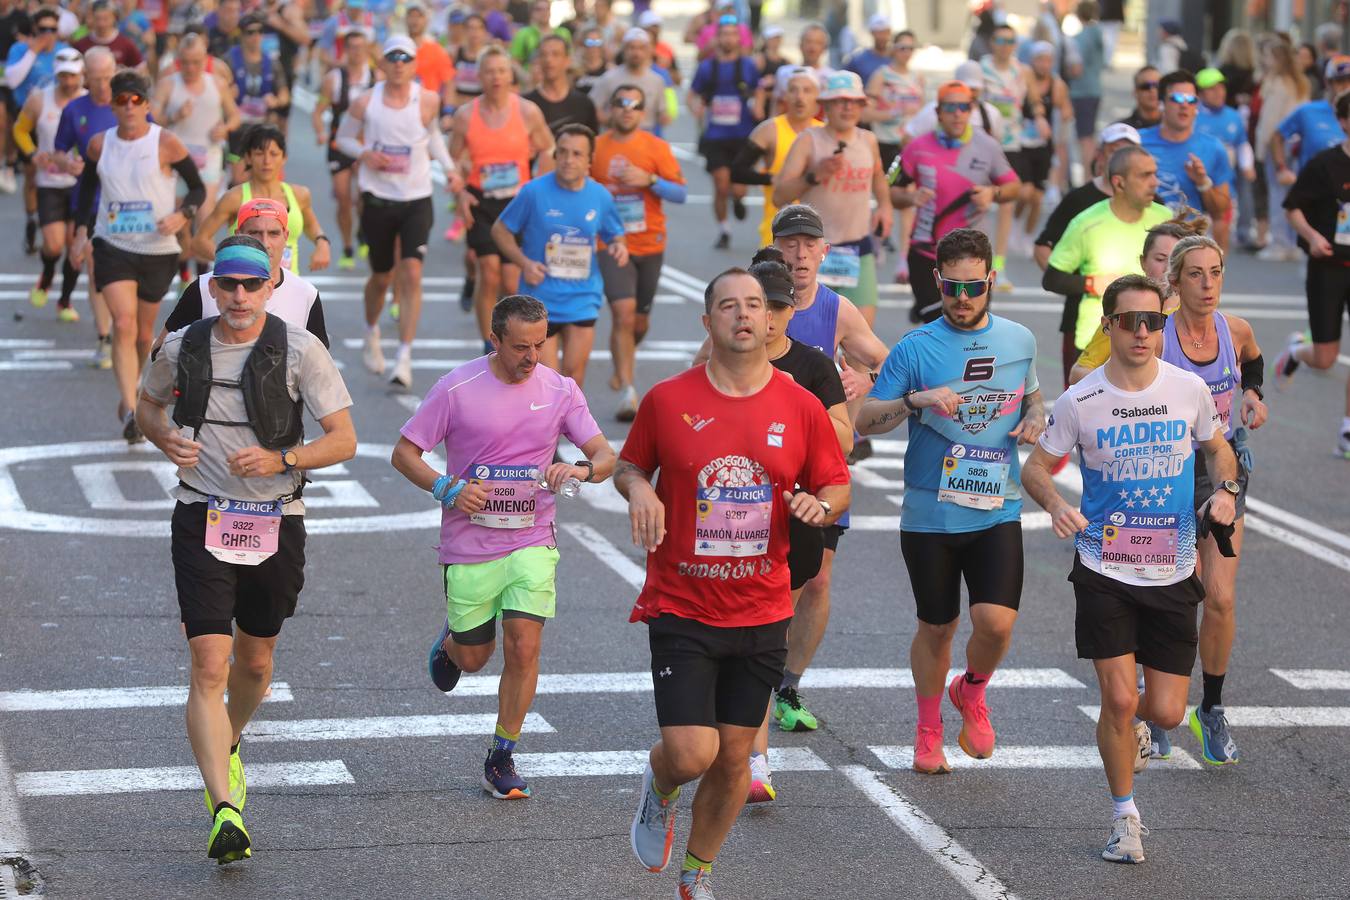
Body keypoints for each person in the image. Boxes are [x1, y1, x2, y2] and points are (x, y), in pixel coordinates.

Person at [620, 267, 850, 899]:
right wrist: (641, 490)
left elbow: (835, 482)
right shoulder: (669, 399)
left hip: (763, 606)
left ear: (772, 319)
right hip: (683, 602)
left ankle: (697, 876)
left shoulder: (800, 406)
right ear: (708, 322)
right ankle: (660, 787)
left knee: (733, 757)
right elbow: (631, 465)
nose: (744, 315)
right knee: (692, 752)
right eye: (729, 306)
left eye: (755, 305)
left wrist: (820, 507)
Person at [135, 234, 356, 865]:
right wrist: (163, 440)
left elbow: (343, 439)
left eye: (250, 285)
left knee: (255, 664)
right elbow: (148, 408)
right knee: (209, 664)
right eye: (226, 283)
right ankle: (224, 809)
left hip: (276, 516)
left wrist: (282, 457)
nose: (237, 296)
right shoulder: (182, 346)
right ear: (212, 286)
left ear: (269, 288)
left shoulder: (299, 349)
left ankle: (226, 742)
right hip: (201, 512)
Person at [1022, 273, 1238, 864]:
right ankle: (1125, 819)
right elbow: (1036, 469)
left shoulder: (1187, 389)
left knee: (1166, 711)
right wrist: (1057, 504)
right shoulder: (1082, 401)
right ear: (1108, 325)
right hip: (1103, 567)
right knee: (1117, 702)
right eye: (1130, 321)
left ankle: (1136, 728)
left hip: (1172, 569)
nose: (1143, 333)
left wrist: (1226, 489)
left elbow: (1218, 446)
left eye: (1153, 322)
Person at [395, 293, 616, 801]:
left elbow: (604, 456)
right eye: (520, 347)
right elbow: (404, 453)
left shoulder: (560, 390)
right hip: (470, 541)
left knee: (524, 645)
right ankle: (452, 644)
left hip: (532, 536)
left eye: (540, 345)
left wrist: (580, 470)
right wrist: (446, 487)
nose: (532, 357)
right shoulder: (457, 387)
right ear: (494, 340)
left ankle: (502, 755)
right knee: (475, 659)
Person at [857, 226, 1044, 774]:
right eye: (952, 288)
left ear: (990, 281)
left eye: (974, 288)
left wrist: (1036, 416)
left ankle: (973, 690)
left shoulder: (1019, 340)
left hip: (997, 508)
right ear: (937, 281)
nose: (963, 300)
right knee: (936, 627)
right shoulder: (916, 347)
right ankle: (928, 726)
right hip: (929, 514)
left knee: (996, 623)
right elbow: (865, 421)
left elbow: (1033, 397)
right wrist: (916, 400)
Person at [741, 251, 853, 801]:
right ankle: (755, 758)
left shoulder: (811, 366)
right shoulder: (723, 361)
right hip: (733, 515)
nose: (772, 318)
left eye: (782, 307)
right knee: (750, 632)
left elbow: (845, 442)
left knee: (769, 629)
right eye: (765, 306)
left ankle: (757, 742)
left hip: (795, 516)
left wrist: (799, 415)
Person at [1152, 234, 1266, 763]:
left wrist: (1252, 394)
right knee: (1166, 587)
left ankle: (1211, 708)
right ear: (1174, 282)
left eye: (1215, 272)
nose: (1207, 284)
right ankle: (1154, 709)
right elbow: (1094, 374)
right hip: (1167, 467)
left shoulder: (1233, 329)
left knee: (1219, 596)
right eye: (1195, 274)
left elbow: (1254, 359)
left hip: (1223, 465)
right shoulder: (1157, 336)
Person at [70, 69, 206, 444]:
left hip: (158, 249)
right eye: (121, 100)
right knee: (124, 323)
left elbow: (196, 188)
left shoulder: (166, 143)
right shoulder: (100, 144)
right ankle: (131, 408)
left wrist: (182, 215)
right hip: (113, 245)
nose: (128, 107)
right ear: (112, 105)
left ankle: (139, 386)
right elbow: (86, 192)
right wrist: (80, 233)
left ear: (146, 104)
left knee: (145, 332)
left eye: (135, 100)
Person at [335, 35, 456, 389]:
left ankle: (404, 356)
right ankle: (371, 330)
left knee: (413, 274)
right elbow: (342, 138)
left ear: (415, 64)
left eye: (406, 57)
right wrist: (364, 154)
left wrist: (450, 169)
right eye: (393, 57)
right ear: (383, 64)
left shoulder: (428, 100)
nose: (399, 63)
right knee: (382, 276)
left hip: (417, 198)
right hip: (377, 198)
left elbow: (432, 136)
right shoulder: (365, 103)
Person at [491, 124, 626, 388]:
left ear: (589, 160)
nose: (568, 160)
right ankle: (546, 430)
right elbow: (500, 230)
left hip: (582, 296)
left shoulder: (600, 196)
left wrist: (619, 246)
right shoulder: (533, 192)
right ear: (555, 155)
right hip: (540, 300)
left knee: (574, 378)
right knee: (547, 381)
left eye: (577, 154)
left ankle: (566, 430)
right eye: (562, 152)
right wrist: (524, 263)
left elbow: (615, 234)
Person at [450, 45, 556, 345]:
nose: (496, 77)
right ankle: (489, 344)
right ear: (479, 76)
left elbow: (549, 147)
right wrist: (460, 193)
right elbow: (452, 160)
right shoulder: (465, 115)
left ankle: (511, 339)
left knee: (511, 279)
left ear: (510, 75)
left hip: (518, 202)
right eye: (489, 71)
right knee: (489, 270)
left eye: (501, 70)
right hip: (481, 200)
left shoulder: (526, 111)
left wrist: (538, 184)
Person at [593, 84, 685, 419]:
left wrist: (649, 180)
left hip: (650, 241)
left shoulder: (656, 148)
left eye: (635, 104)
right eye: (621, 103)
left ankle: (623, 355)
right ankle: (628, 391)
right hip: (611, 242)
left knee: (639, 321)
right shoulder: (596, 147)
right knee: (623, 312)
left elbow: (680, 194)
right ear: (611, 108)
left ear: (643, 111)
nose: (627, 109)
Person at [893, 80, 1019, 324]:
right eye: (950, 108)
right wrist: (910, 197)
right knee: (935, 326)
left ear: (971, 110)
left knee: (969, 324)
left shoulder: (987, 146)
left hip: (973, 256)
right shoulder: (917, 147)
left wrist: (992, 193)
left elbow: (1014, 187)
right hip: (926, 252)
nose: (957, 114)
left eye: (963, 107)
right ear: (938, 112)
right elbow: (893, 193)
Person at [773, 70, 892, 326]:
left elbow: (879, 176)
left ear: (862, 105)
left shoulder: (868, 140)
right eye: (839, 101)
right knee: (809, 338)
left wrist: (884, 206)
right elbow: (779, 195)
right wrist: (813, 176)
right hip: (814, 254)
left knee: (861, 338)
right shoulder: (809, 141)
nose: (847, 108)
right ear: (825, 105)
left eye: (854, 101)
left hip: (858, 251)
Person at [1035, 122, 1142, 384]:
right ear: (1100, 154)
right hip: (1083, 321)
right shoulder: (1079, 200)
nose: (1120, 159)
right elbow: (1043, 249)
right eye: (1115, 150)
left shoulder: (1153, 205)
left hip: (1140, 324)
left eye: (1128, 154)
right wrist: (1085, 282)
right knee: (1080, 401)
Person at [1043, 145, 1170, 357]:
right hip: (1095, 339)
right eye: (1145, 175)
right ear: (1119, 183)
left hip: (1151, 337)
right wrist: (1092, 283)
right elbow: (1052, 278)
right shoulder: (1086, 223)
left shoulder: (1165, 218)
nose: (1155, 182)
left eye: (1155, 174)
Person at [1279, 88, 1350, 458]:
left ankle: (1347, 429)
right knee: (1324, 358)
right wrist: (1312, 237)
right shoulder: (1325, 164)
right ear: (1343, 122)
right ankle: (1297, 351)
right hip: (1328, 266)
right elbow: (1292, 207)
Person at [162, 201, 328, 347]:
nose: (264, 243)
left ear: (285, 236)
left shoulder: (306, 294)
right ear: (238, 234)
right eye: (254, 233)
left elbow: (319, 368)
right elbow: (161, 351)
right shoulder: (203, 288)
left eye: (273, 233)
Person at [1069, 212, 1210, 383]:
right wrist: (1124, 389)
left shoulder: (1203, 317)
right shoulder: (1125, 313)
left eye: (1175, 261)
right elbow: (1078, 373)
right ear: (1143, 262)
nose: (1167, 268)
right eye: (1160, 259)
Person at [192, 125, 329, 279]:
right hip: (246, 288)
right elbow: (200, 241)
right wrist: (231, 261)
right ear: (248, 158)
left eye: (274, 154)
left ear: (284, 158)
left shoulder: (299, 194)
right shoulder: (235, 198)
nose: (266, 161)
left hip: (288, 285)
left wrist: (322, 242)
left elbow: (311, 226)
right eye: (259, 154)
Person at [154, 32, 240, 277]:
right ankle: (183, 273)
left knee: (204, 217)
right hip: (176, 162)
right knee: (182, 222)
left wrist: (224, 128)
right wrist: (174, 116)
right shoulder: (168, 83)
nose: (190, 67)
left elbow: (234, 115)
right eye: (185, 62)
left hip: (208, 158)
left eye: (196, 62)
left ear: (205, 59)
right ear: (178, 59)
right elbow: (152, 118)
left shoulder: (217, 83)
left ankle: (202, 276)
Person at [52, 45, 116, 367]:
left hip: (128, 205)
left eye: (108, 78)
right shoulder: (75, 109)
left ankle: (125, 328)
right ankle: (104, 338)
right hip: (89, 202)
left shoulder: (130, 106)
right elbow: (59, 150)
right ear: (85, 78)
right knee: (96, 271)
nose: (103, 86)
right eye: (96, 79)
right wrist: (67, 163)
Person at [17, 47, 83, 318]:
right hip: (49, 183)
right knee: (54, 245)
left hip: (80, 185)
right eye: (63, 76)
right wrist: (32, 153)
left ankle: (65, 301)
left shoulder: (89, 101)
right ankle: (46, 275)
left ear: (81, 75)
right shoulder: (39, 100)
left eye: (73, 76)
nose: (68, 82)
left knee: (74, 248)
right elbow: (19, 129)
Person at [1268, 55, 1350, 261]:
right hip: (1316, 199)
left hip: (1346, 200)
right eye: (1340, 81)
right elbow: (1277, 136)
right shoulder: (1309, 111)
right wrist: (1281, 167)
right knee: (1318, 269)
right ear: (1328, 83)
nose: (1346, 86)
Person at [980, 22, 1043, 287]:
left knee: (1006, 205)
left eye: (1010, 41)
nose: (1005, 46)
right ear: (991, 43)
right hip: (984, 143)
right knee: (981, 205)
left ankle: (1000, 266)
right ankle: (979, 261)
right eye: (1000, 40)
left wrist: (1040, 118)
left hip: (1011, 145)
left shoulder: (1023, 71)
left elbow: (1035, 100)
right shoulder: (981, 68)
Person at [312, 26, 379, 270]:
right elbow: (318, 111)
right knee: (343, 198)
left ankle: (362, 231)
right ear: (345, 50)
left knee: (363, 198)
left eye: (361, 48)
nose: (357, 52)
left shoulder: (376, 78)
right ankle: (348, 245)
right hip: (339, 144)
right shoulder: (334, 79)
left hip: (366, 146)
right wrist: (320, 131)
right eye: (352, 48)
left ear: (368, 50)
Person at [732, 67, 821, 251]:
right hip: (779, 232)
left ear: (818, 97)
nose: (800, 97)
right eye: (793, 90)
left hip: (818, 233)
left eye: (807, 90)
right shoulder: (769, 130)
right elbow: (737, 170)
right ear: (784, 96)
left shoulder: (826, 133)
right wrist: (771, 178)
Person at [1138, 70, 1232, 242]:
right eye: (1177, 98)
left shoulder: (1213, 148)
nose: (1184, 105)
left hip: (1187, 246)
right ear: (1161, 103)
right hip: (1142, 239)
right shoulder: (1137, 142)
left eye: (1191, 100)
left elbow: (1220, 214)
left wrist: (1203, 182)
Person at [689, 16, 758, 250]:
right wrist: (695, 109)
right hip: (716, 135)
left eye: (733, 34)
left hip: (742, 135)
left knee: (738, 187)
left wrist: (759, 106)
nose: (728, 38)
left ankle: (738, 199)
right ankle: (724, 230)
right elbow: (691, 95)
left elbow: (759, 91)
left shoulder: (748, 65)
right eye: (724, 34)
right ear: (717, 38)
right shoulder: (707, 67)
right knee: (720, 184)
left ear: (739, 38)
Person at [7, 7, 69, 256]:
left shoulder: (63, 53)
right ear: (34, 29)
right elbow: (12, 80)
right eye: (42, 29)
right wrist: (33, 50)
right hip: (29, 117)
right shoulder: (20, 50)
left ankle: (55, 222)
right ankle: (32, 219)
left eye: (52, 30)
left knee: (59, 173)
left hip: (58, 120)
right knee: (33, 175)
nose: (48, 34)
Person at [1254, 42, 1311, 260]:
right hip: (1296, 143)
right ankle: (1292, 242)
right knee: (1293, 196)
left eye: (1268, 56)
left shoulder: (1278, 84)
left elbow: (1269, 121)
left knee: (1278, 195)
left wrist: (1261, 149)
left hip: (1276, 144)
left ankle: (1280, 243)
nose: (1265, 60)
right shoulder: (1300, 83)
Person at [1016, 42, 1072, 259]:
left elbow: (1065, 111)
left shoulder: (1057, 85)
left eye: (1048, 60)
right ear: (1032, 60)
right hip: (1021, 143)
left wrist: (1066, 115)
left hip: (1043, 145)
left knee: (1037, 197)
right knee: (1025, 192)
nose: (1044, 64)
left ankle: (1027, 236)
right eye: (1040, 59)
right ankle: (1016, 223)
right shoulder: (1023, 81)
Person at [1194, 68, 1254, 252]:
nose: (1219, 92)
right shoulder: (1192, 115)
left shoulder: (1233, 116)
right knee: (1197, 243)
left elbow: (1242, 144)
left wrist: (1247, 166)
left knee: (1220, 242)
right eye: (1212, 89)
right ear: (1200, 94)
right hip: (1196, 190)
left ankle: (1218, 274)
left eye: (1221, 87)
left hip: (1225, 188)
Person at [226, 14, 289, 184]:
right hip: (238, 130)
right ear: (241, 35)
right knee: (239, 180)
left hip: (264, 128)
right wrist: (228, 93)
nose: (256, 37)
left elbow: (285, 94)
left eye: (260, 32)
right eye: (250, 32)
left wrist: (275, 101)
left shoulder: (271, 61)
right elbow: (217, 89)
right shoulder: (229, 59)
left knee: (266, 178)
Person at [591, 26, 673, 136]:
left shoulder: (657, 81)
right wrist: (611, 122)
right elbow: (593, 107)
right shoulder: (609, 78)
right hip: (615, 137)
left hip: (645, 138)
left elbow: (663, 111)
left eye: (641, 48)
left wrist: (665, 117)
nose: (636, 53)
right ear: (624, 50)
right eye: (632, 48)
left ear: (648, 51)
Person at [524, 33, 599, 136]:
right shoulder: (526, 104)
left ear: (567, 60)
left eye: (555, 54)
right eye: (544, 55)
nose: (549, 60)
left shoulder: (584, 104)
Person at [1071, 1, 1106, 175]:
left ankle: (1088, 176)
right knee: (1089, 136)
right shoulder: (1098, 33)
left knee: (1084, 139)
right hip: (1094, 89)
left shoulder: (1081, 38)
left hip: (1081, 91)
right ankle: (1090, 174)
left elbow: (1077, 68)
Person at [73, 0, 143, 69]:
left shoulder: (126, 44)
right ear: (92, 18)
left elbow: (140, 68)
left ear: (114, 18)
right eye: (98, 18)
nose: (101, 24)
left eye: (106, 19)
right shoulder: (81, 45)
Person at [510, 0, 569, 67]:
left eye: (547, 9)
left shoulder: (563, 33)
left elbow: (569, 58)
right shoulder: (523, 33)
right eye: (539, 9)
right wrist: (526, 76)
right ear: (531, 13)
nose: (544, 12)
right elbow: (514, 61)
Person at [844, 13, 891, 86]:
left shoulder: (897, 58)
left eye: (885, 32)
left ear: (889, 32)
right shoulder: (858, 60)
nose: (882, 37)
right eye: (878, 33)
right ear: (872, 33)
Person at [1120, 66, 1161, 131]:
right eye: (1146, 86)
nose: (1152, 90)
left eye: (1157, 85)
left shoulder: (1174, 126)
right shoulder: (1122, 129)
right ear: (1135, 92)